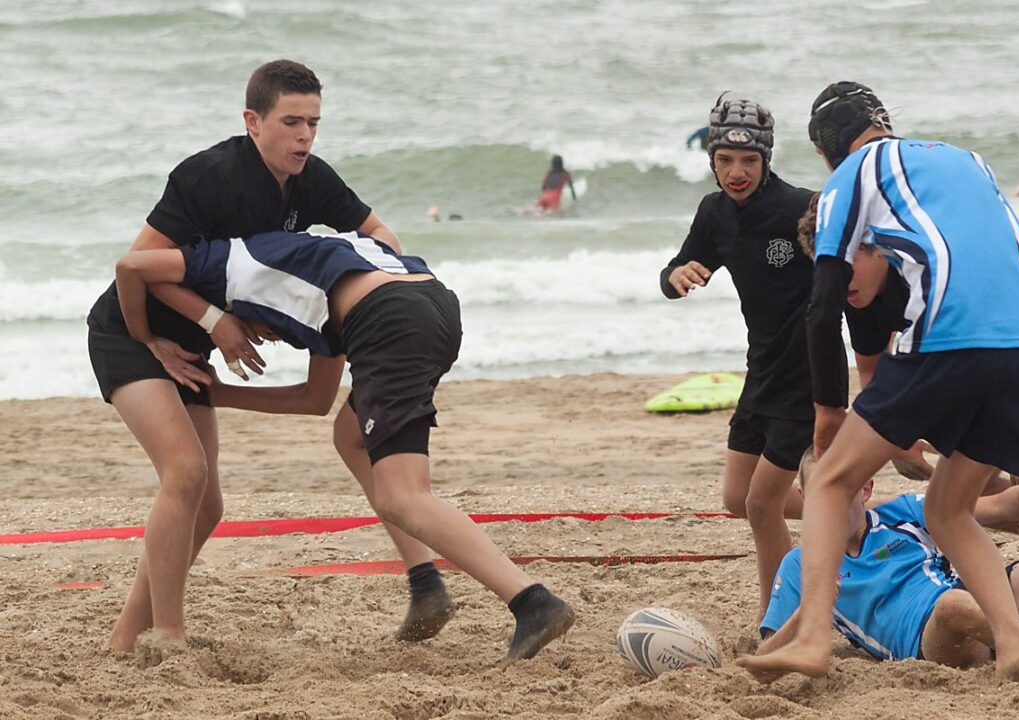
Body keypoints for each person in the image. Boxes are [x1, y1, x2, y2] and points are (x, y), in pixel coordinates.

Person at [86, 59, 450, 657]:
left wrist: (356, 284)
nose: (304, 136)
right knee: (185, 472)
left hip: (194, 348)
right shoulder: (209, 175)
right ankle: (168, 635)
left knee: (207, 506)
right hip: (133, 332)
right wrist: (210, 322)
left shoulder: (312, 178)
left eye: (314, 123)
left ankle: (125, 639)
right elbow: (135, 265)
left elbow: (383, 236)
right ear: (253, 121)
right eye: (291, 122)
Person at [113, 228, 576, 664]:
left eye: (257, 332)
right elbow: (316, 400)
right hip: (431, 304)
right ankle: (425, 583)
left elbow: (132, 266)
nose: (264, 337)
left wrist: (154, 338)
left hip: (386, 321)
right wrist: (218, 394)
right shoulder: (314, 269)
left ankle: (531, 601)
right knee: (350, 436)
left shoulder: (223, 260)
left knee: (403, 495)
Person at [738, 81, 1019, 681]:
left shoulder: (851, 174)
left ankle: (811, 637)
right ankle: (1015, 640)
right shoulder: (966, 160)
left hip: (952, 331)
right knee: (948, 508)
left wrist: (829, 411)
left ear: (828, 153)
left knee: (830, 480)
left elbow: (823, 302)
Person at [795, 203, 1019, 549]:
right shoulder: (853, 291)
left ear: (879, 247)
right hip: (982, 359)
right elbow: (872, 374)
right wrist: (896, 443)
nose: (837, 280)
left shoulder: (934, 271)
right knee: (966, 494)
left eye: (847, 264)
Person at [659, 95, 816, 617]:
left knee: (761, 504)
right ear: (712, 159)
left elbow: (857, 278)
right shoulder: (715, 213)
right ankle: (853, 511)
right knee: (737, 498)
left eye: (749, 160)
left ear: (766, 159)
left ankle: (780, 615)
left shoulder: (802, 208)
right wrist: (675, 277)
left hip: (806, 373)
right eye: (725, 160)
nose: (736, 172)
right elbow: (680, 265)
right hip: (761, 371)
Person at [756, 454, 1019, 671]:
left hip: (969, 599)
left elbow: (995, 506)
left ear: (866, 489)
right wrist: (807, 611)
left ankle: (1011, 638)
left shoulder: (902, 512)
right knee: (954, 606)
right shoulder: (799, 564)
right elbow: (763, 662)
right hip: (926, 640)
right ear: (803, 496)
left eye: (843, 492)